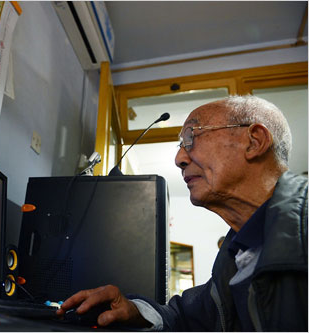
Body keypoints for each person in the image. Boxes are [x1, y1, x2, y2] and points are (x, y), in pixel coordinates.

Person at [57, 95, 308, 331]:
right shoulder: (235, 256)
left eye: (191, 137)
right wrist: (132, 310)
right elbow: (185, 317)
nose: (179, 159)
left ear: (254, 141)